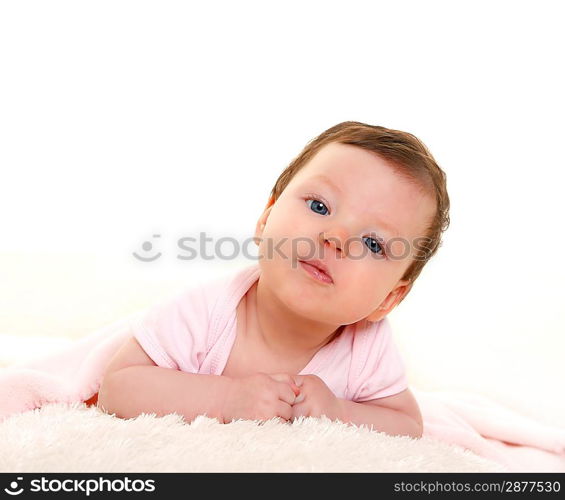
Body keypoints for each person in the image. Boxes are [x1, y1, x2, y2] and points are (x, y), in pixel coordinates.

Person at [97, 121, 450, 439]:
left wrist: (338, 412)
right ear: (266, 220)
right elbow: (118, 385)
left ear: (389, 299)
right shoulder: (207, 312)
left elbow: (407, 426)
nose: (336, 237)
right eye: (319, 207)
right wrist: (226, 399)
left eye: (373, 243)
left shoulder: (367, 348)